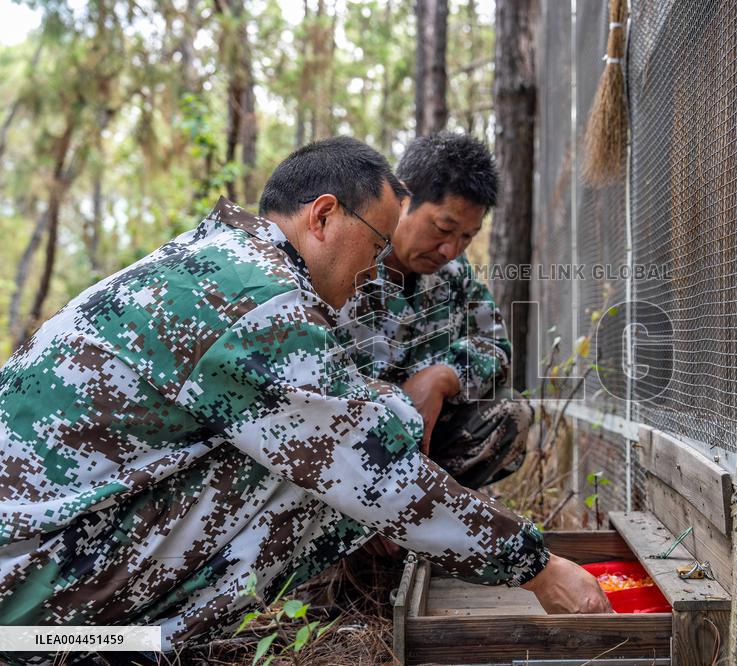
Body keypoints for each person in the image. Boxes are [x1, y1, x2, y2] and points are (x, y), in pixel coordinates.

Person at [0, 136, 610, 662]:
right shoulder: (254, 299)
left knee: (337, 448)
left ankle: (137, 643)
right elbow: (371, 466)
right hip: (25, 595)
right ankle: (110, 649)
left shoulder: (224, 259)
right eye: (375, 248)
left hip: (44, 553)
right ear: (322, 217)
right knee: (341, 463)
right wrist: (537, 567)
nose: (375, 273)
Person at [337, 132, 530, 498]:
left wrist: (444, 376)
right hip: (341, 455)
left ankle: (424, 514)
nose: (450, 249)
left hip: (419, 453)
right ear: (403, 196)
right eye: (443, 229)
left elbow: (498, 347)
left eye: (467, 237)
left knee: (509, 412)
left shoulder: (455, 274)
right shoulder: (346, 258)